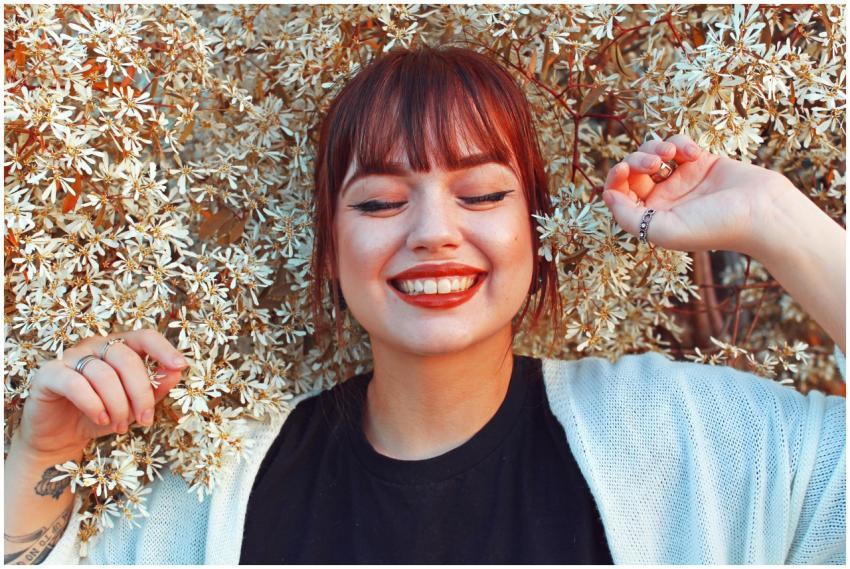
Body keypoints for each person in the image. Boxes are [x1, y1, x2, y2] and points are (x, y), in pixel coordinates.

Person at [5, 45, 845, 565]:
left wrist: (775, 218)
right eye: (378, 202)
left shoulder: (682, 441)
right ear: (329, 248)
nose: (434, 232)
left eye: (482, 194)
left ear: (537, 229)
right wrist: (42, 454)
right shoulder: (218, 496)